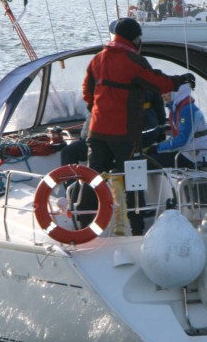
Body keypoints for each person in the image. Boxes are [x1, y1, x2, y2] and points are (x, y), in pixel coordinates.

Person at [82, 17, 195, 234]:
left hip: (96, 131)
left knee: (94, 176)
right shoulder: (133, 60)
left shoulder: (97, 59)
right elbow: (157, 82)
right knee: (133, 178)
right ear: (135, 39)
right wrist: (180, 80)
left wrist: (95, 110)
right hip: (124, 134)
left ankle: (84, 222)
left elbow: (87, 91)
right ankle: (136, 226)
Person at [145, 83, 207, 168]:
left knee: (144, 163)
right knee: (147, 158)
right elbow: (175, 138)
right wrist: (156, 147)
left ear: (176, 92)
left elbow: (182, 141)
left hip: (190, 156)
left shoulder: (187, 110)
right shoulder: (177, 109)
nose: (162, 95)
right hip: (184, 152)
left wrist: (157, 148)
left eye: (166, 92)